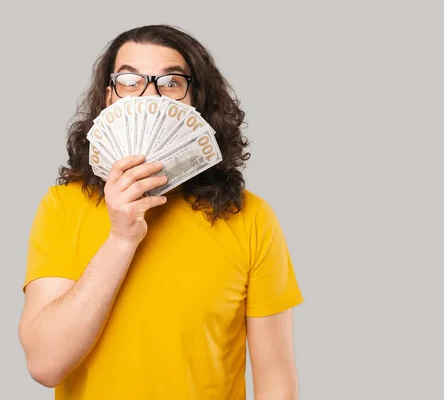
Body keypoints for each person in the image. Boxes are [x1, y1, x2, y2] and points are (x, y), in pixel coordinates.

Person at [18, 24, 304, 400]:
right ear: (109, 98)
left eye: (170, 83)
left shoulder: (250, 217)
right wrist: (121, 238)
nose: (148, 97)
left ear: (196, 102)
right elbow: (45, 363)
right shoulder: (62, 207)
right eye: (129, 81)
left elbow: (277, 383)